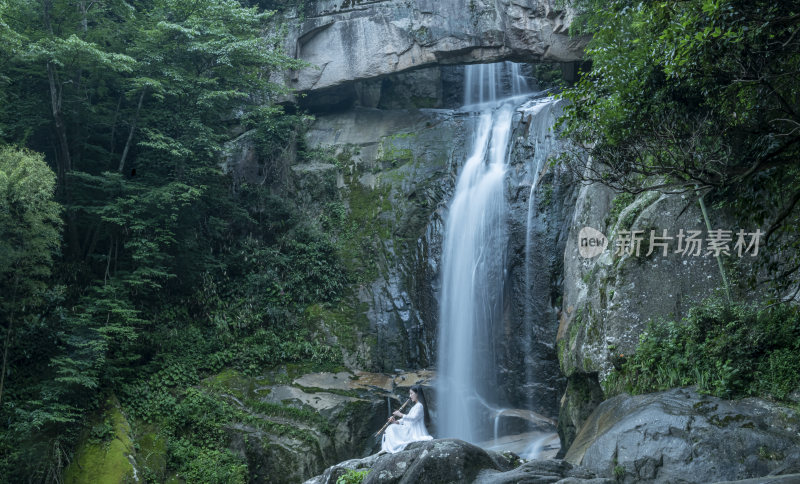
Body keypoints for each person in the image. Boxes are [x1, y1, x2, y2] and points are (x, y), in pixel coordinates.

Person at [381, 385, 433, 453]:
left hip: (414, 432)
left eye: (411, 393)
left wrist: (400, 414)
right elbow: (407, 419)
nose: (410, 396)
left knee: (391, 428)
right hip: (409, 429)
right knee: (391, 427)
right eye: (409, 394)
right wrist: (396, 422)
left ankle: (389, 448)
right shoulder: (414, 407)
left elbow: (413, 418)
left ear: (417, 394)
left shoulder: (420, 406)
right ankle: (386, 448)